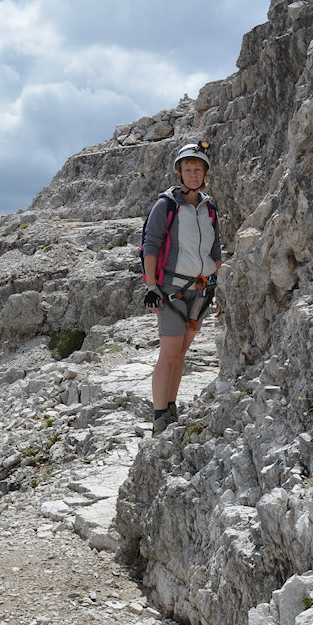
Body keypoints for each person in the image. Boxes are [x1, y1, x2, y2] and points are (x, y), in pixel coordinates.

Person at [141, 141, 222, 433]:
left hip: (201, 292)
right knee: (170, 352)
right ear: (179, 172)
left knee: (181, 352)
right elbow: (150, 246)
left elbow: (216, 253)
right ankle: (159, 416)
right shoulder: (166, 205)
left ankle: (170, 408)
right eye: (188, 169)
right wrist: (152, 286)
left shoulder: (209, 208)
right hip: (171, 289)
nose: (193, 174)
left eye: (198, 169)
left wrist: (220, 292)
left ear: (205, 173)